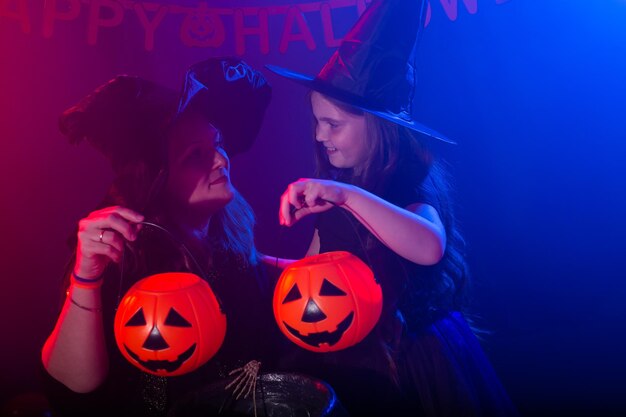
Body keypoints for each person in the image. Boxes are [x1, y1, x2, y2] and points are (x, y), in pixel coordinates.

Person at [265, 0, 519, 416]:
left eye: (333, 124)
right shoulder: (337, 191)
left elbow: (428, 245)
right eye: (316, 122)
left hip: (413, 366)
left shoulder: (408, 186)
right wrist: (256, 262)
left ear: (378, 125)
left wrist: (344, 196)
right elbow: (308, 272)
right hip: (358, 361)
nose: (320, 135)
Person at [40, 57, 285, 417]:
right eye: (195, 156)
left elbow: (258, 272)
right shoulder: (122, 255)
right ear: (156, 183)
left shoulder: (226, 232)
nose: (220, 160)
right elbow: (72, 386)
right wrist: (86, 278)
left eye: (217, 144)